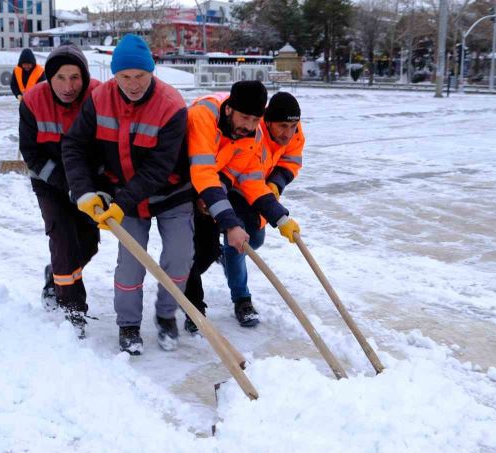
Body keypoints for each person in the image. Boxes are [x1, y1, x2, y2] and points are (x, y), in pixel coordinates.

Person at [63, 34, 193, 355]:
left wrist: (120, 203)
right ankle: (129, 324)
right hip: (124, 195)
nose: (133, 84)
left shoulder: (172, 105)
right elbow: (74, 145)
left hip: (171, 193)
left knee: (179, 257)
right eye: (125, 77)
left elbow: (159, 168)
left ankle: (166, 316)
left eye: (140, 76)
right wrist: (83, 193)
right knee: (130, 264)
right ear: (114, 74)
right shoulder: (99, 99)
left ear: (152, 72)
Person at [185, 81, 300, 330]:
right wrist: (230, 224)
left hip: (209, 188)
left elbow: (249, 180)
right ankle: (193, 307)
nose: (249, 125)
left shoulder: (252, 136)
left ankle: (185, 290)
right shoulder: (203, 115)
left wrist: (281, 219)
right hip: (179, 183)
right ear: (229, 110)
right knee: (186, 252)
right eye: (245, 117)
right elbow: (203, 170)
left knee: (205, 252)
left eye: (255, 119)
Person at [19, 43, 101, 338]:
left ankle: (55, 275)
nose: (69, 86)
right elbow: (31, 152)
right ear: (49, 78)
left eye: (75, 77)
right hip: (48, 180)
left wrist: (91, 185)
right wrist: (65, 185)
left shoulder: (98, 96)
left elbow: (107, 145)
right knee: (63, 239)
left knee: (89, 243)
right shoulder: (31, 101)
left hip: (88, 182)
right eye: (61, 78)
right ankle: (73, 308)